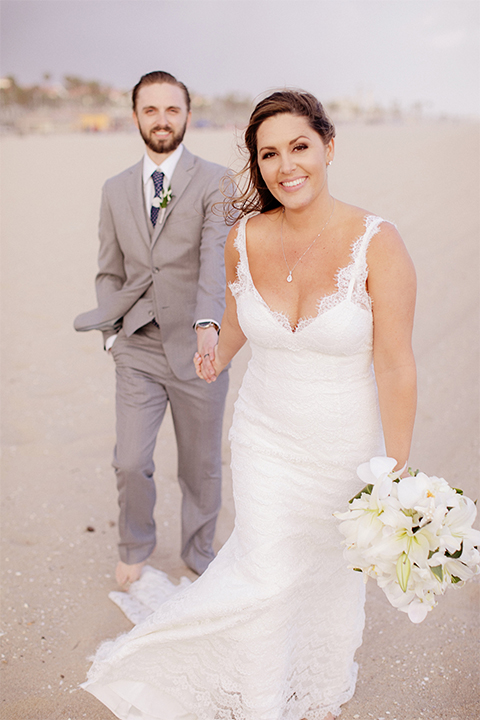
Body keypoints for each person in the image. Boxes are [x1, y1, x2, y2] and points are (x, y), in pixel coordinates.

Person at [81, 90, 417, 720]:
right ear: (257, 166)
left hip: (345, 451)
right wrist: (204, 350)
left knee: (321, 577)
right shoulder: (244, 238)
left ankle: (308, 682)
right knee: (265, 573)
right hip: (266, 438)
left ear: (328, 147)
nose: (286, 165)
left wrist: (394, 472)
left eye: (299, 147)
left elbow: (396, 363)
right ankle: (261, 702)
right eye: (268, 155)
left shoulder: (378, 243)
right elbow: (232, 328)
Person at [74, 71, 230, 587]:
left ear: (187, 114)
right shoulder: (114, 189)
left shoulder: (216, 181)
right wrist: (113, 336)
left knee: (201, 466)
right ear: (136, 116)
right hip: (136, 347)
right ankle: (135, 544)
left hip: (198, 348)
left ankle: (199, 551)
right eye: (151, 110)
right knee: (130, 461)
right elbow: (107, 269)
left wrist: (209, 325)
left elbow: (214, 261)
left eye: (172, 110)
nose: (162, 120)